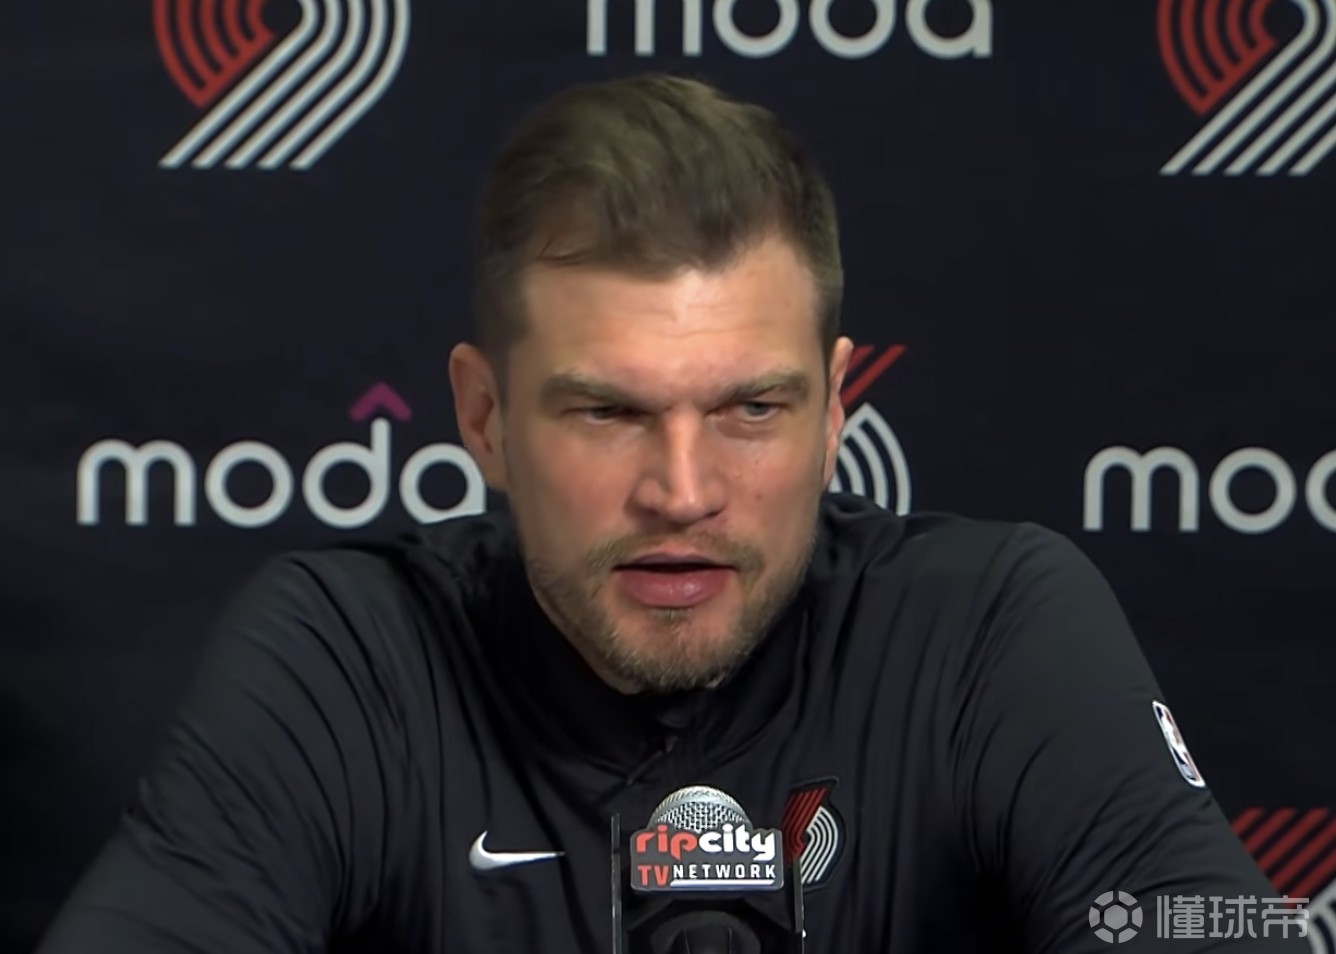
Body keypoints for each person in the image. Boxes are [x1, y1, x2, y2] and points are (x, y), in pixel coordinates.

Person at [36, 72, 1306, 953]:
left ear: (834, 410)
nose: (683, 491)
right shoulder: (350, 653)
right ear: (484, 416)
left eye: (751, 409)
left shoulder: (991, 628)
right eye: (607, 412)